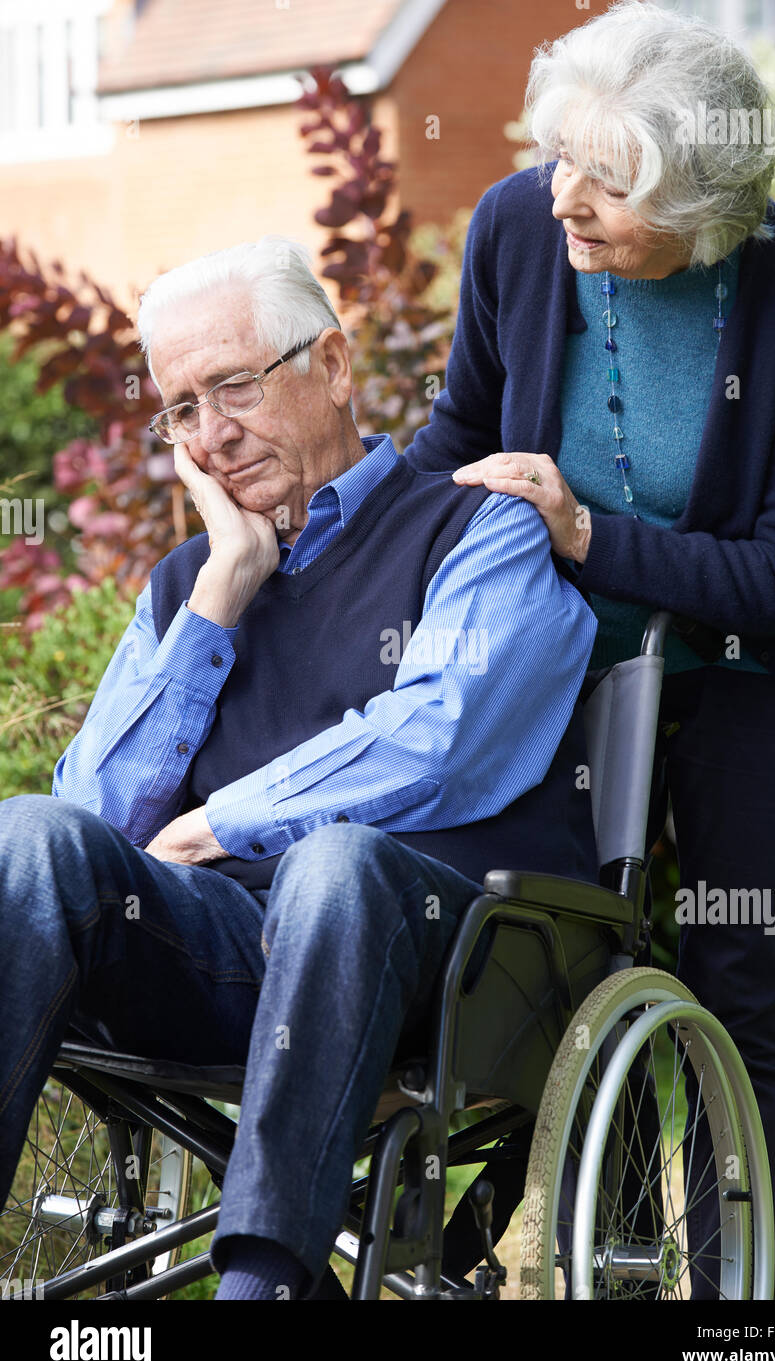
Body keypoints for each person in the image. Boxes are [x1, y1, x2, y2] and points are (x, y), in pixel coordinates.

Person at [0, 235, 599, 1300]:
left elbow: (442, 734)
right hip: (228, 958)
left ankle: (261, 1290)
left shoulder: (479, 529)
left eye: (234, 385)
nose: (212, 434)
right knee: (25, 835)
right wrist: (222, 592)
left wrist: (220, 823)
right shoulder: (187, 583)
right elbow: (87, 817)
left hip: (445, 960)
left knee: (335, 864)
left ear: (331, 365)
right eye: (181, 409)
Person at [403, 0, 775, 1298]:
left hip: (751, 666)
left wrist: (585, 531)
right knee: (567, 957)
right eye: (559, 157)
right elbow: (456, 435)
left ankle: (735, 1298)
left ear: (705, 207)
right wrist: (353, 538)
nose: (564, 200)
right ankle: (619, 1262)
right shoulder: (512, 227)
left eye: (608, 182)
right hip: (566, 653)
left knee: (731, 978)